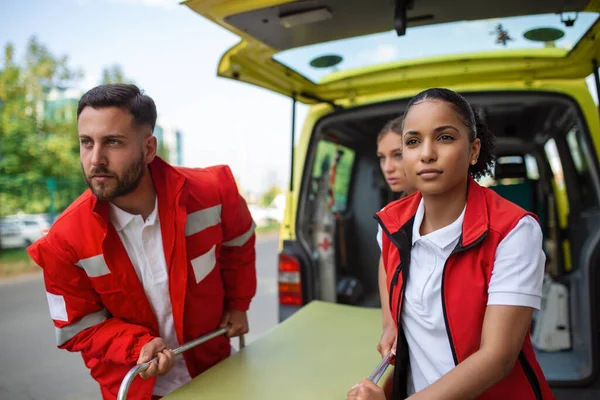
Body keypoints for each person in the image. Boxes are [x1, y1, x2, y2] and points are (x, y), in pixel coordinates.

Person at [27, 84, 257, 400]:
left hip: (218, 371)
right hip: (137, 390)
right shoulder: (63, 241)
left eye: (112, 142)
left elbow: (240, 241)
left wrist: (238, 304)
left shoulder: (213, 192)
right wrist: (136, 345)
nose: (95, 160)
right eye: (86, 142)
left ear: (149, 149)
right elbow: (77, 327)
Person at [348, 88, 554, 400]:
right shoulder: (393, 223)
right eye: (413, 141)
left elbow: (498, 358)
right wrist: (390, 323)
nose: (426, 153)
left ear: (473, 150)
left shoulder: (514, 230)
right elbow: (387, 264)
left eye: (444, 137)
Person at [375, 116, 418, 398]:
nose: (388, 167)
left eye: (397, 155)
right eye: (382, 158)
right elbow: (385, 266)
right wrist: (390, 323)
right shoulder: (391, 216)